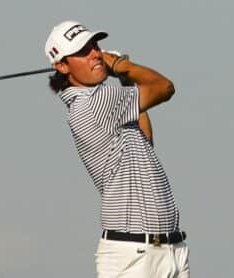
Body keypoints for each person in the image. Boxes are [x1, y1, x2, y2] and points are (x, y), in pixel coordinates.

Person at [45, 20, 190, 278]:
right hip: (133, 255)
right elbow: (164, 88)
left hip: (166, 251)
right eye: (82, 52)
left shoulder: (107, 104)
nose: (95, 54)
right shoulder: (93, 103)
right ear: (62, 66)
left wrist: (124, 78)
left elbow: (145, 138)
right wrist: (122, 66)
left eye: (94, 46)